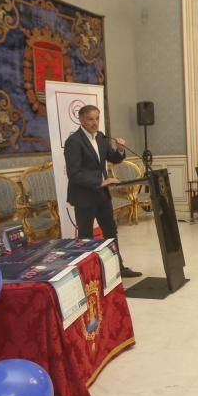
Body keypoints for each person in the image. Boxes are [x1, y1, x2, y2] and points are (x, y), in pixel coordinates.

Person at [63, 104, 141, 278]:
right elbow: (74, 174)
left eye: (97, 118)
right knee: (85, 236)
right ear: (81, 120)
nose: (95, 122)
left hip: (102, 195)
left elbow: (114, 158)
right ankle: (87, 274)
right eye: (90, 119)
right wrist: (101, 181)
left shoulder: (100, 138)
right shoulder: (73, 142)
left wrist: (120, 149)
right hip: (84, 196)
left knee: (111, 232)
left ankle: (118, 267)